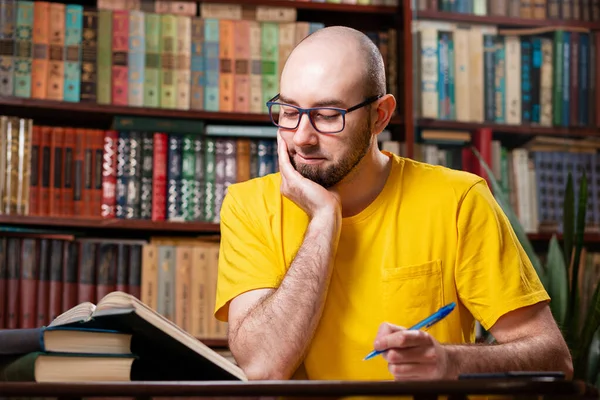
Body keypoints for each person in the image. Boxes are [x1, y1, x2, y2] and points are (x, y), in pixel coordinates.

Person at [213, 25, 573, 381]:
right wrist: (324, 219)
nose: (302, 137)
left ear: (379, 116)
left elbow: (554, 358)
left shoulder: (459, 200)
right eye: (290, 111)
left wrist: (451, 362)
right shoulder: (248, 205)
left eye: (327, 116)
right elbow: (262, 367)